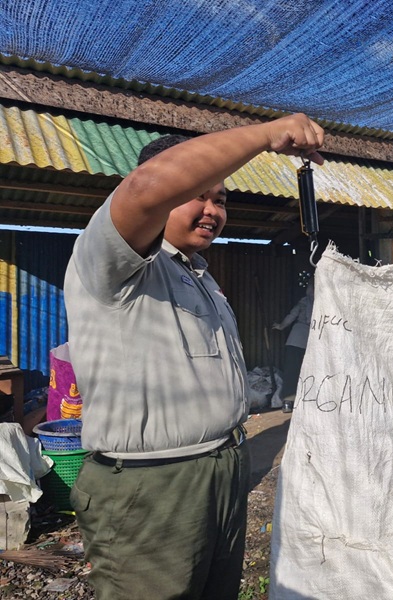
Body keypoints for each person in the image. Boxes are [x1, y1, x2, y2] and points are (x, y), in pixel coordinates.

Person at [63, 114, 325, 600]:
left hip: (222, 471)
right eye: (198, 194)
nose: (212, 210)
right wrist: (266, 135)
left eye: (220, 200)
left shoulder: (199, 276)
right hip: (152, 487)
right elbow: (147, 186)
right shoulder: (113, 263)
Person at [272, 279, 314, 413]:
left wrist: (281, 326)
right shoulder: (319, 303)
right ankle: (298, 400)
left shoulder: (305, 301)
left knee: (292, 371)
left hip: (298, 339)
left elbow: (292, 315)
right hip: (309, 339)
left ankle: (289, 402)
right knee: (303, 371)